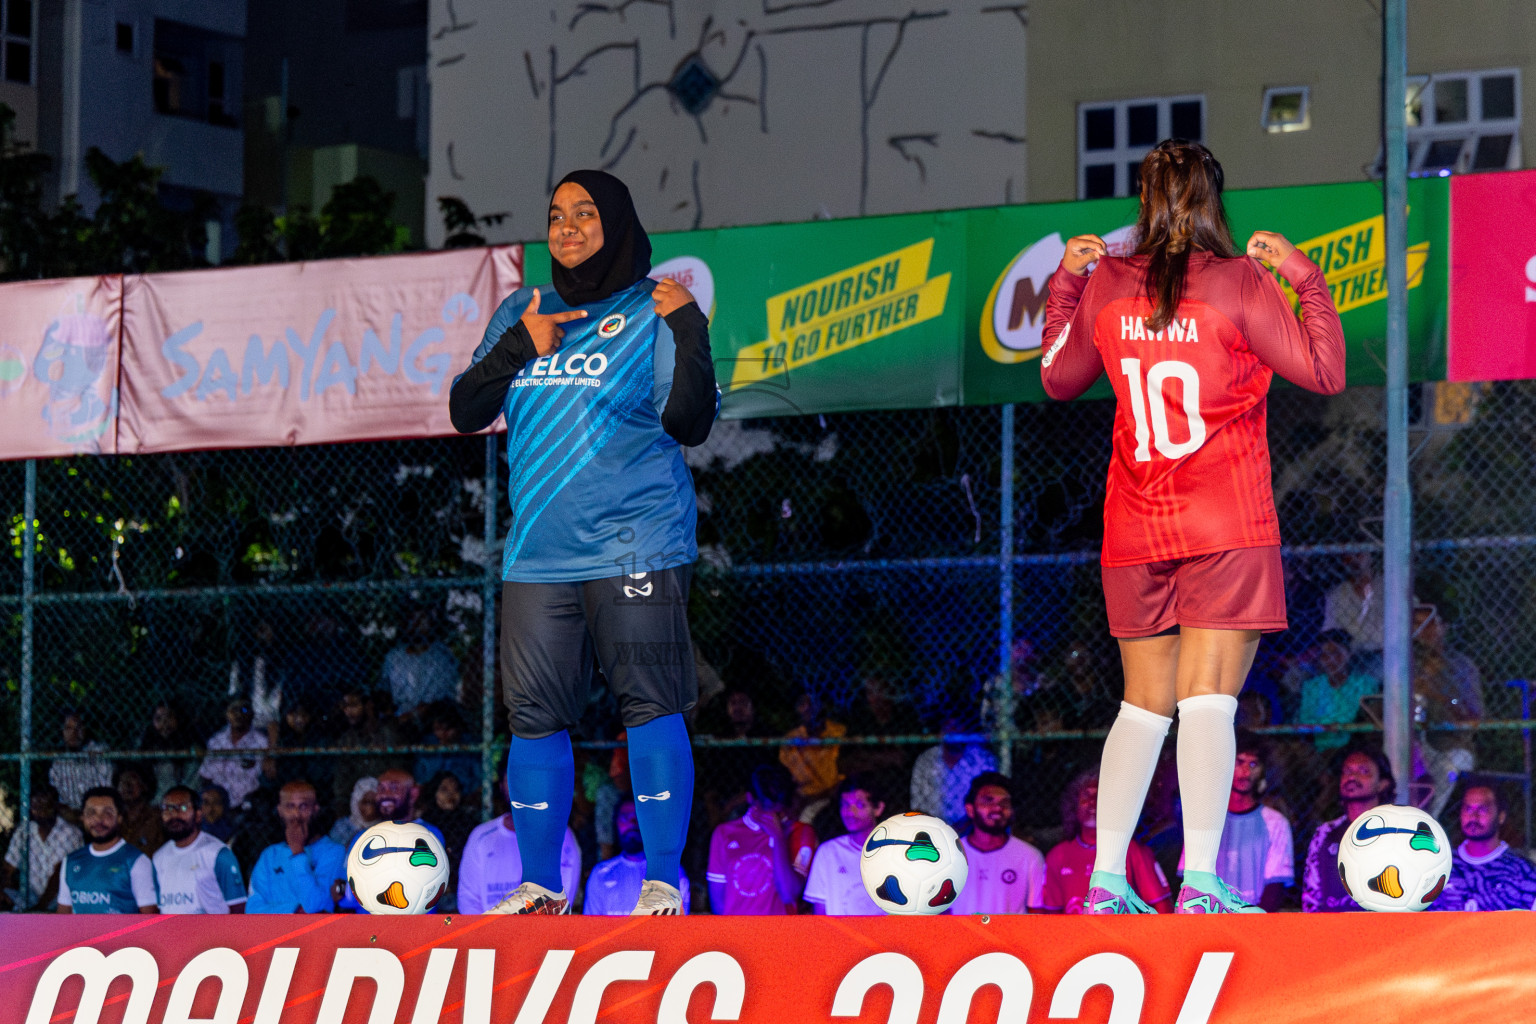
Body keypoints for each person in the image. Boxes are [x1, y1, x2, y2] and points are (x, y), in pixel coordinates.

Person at [1042, 137, 1345, 914]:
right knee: (1208, 700)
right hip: (1225, 522)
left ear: (1145, 200)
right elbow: (1324, 370)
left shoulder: (1107, 281)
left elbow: (1057, 378)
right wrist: (1304, 276)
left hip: (1136, 526)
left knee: (1142, 705)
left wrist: (1065, 284)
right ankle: (1200, 884)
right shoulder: (1240, 280)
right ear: (1214, 199)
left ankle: (1107, 881)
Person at [449, 169, 717, 916]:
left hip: (637, 546)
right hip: (537, 555)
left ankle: (664, 881)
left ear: (618, 221)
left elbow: (691, 423)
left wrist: (690, 328)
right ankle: (540, 887)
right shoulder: (523, 306)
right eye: (556, 215)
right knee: (534, 719)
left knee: (652, 706)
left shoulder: (653, 308)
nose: (567, 227)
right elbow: (465, 409)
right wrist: (514, 351)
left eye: (586, 213)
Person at [1183, 733, 1292, 911]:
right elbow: (1190, 878)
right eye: (1239, 762)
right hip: (1209, 917)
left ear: (1263, 770)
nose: (1246, 772)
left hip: (1255, 920)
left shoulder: (1276, 822)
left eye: (1253, 764)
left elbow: (1276, 886)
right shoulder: (1205, 819)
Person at [1041, 769, 1172, 914]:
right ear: (1074, 806)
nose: (1092, 803)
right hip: (1076, 934)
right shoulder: (1058, 855)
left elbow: (1162, 906)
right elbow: (1051, 915)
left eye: (1099, 797)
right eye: (1086, 797)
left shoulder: (1132, 851)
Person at [458, 774, 582, 914]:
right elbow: (468, 900)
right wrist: (486, 933)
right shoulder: (481, 837)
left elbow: (561, 901)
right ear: (501, 786)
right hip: (487, 933)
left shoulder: (561, 836)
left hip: (541, 933)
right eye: (512, 779)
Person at [706, 765, 817, 915]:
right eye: (769, 807)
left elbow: (788, 894)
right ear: (751, 798)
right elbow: (719, 904)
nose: (775, 814)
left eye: (779, 808)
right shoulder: (724, 833)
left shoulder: (800, 832)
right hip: (737, 933)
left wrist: (778, 838)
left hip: (779, 933)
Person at [1301, 746, 1394, 913]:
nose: (1352, 777)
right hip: (1333, 933)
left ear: (1382, 784)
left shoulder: (1397, 832)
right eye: (1347, 771)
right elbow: (1312, 897)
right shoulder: (1325, 832)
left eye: (1363, 771)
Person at [949, 772, 1047, 915]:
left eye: (1004, 803)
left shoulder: (1030, 856)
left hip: (1010, 937)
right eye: (988, 801)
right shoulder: (949, 855)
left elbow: (1037, 914)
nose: (997, 808)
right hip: (960, 937)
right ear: (970, 810)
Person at [1431, 780, 1536, 912]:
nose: (1473, 817)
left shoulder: (1523, 871)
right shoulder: (1439, 865)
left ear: (1501, 817)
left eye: (1482, 809)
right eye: (1468, 809)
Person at [247, 780, 347, 914]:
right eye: (289, 807)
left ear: (315, 809)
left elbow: (316, 907)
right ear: (280, 811)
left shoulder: (334, 852)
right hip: (273, 934)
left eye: (303, 806)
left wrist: (298, 853)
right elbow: (252, 910)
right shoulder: (269, 855)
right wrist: (296, 910)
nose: (296, 815)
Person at [56, 787, 158, 914]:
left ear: (120, 817)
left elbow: (150, 920)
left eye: (107, 813)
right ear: (82, 817)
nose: (99, 820)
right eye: (91, 813)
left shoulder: (136, 861)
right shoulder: (70, 862)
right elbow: (63, 916)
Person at [584, 797, 691, 915]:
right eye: (625, 817)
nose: (632, 823)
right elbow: (592, 928)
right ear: (616, 823)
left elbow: (679, 926)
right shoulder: (601, 874)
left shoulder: (672, 872)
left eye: (638, 817)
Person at [151, 785, 247, 914]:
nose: (173, 814)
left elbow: (238, 908)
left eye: (183, 808)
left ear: (198, 814)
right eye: (167, 808)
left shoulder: (218, 854)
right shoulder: (158, 858)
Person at [803, 774, 887, 916]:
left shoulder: (897, 852)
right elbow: (820, 913)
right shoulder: (828, 852)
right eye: (846, 805)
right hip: (841, 938)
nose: (850, 812)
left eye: (860, 805)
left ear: (878, 808)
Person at [1, 782, 80, 911]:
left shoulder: (70, 832)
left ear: (55, 806)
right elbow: (8, 868)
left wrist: (40, 908)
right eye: (36, 807)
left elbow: (59, 875)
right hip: (29, 894)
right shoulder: (24, 830)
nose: (40, 812)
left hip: (60, 896)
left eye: (45, 806)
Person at [1297, 630, 1380, 751]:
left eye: (1336, 653)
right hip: (1320, 751)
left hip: (1354, 748)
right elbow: (1306, 722)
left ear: (1349, 654)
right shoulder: (1311, 687)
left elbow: (1369, 720)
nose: (1331, 660)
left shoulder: (1365, 684)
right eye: (1325, 655)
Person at [909, 715, 998, 825]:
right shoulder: (926, 759)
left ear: (965, 730)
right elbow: (917, 802)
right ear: (940, 732)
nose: (952, 731)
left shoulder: (983, 759)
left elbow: (991, 801)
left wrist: (966, 826)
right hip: (933, 827)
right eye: (947, 727)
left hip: (973, 828)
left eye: (956, 726)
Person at [383, 607, 462, 726]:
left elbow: (443, 698)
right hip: (400, 717)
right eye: (412, 619)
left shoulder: (441, 656)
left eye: (421, 619)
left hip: (433, 718)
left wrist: (413, 715)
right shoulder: (394, 657)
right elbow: (384, 692)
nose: (415, 624)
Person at [779, 691, 847, 822]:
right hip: (803, 799)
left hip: (834, 795)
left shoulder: (839, 732)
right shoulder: (791, 739)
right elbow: (789, 780)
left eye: (812, 702)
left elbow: (847, 771)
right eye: (802, 703)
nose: (808, 707)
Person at [199, 698, 274, 810]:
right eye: (234, 710)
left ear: (252, 714)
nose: (239, 714)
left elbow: (268, 776)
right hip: (218, 803)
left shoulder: (262, 742)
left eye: (244, 710)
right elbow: (206, 775)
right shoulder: (216, 741)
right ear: (227, 713)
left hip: (249, 804)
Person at [49, 711, 113, 825]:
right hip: (70, 818)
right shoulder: (58, 762)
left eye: (78, 728)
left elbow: (107, 789)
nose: (74, 733)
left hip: (97, 812)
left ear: (86, 729)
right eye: (68, 728)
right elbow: (56, 795)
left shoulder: (99, 752)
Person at [139, 701, 198, 799]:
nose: (164, 723)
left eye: (169, 717)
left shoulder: (191, 748)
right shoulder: (147, 746)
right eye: (159, 719)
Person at [113, 763, 166, 856]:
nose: (127, 785)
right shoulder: (114, 818)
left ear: (144, 785)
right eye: (122, 781)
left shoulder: (158, 818)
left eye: (133, 779)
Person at [329, 776, 381, 847]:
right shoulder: (342, 827)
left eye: (374, 802)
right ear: (356, 803)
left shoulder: (385, 826)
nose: (371, 808)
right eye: (366, 802)